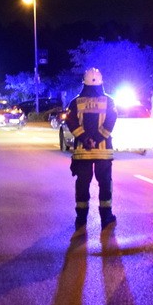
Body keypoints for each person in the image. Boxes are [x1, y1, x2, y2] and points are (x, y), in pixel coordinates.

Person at [65, 67, 117, 230]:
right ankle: (106, 217)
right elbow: (111, 122)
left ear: (84, 83)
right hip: (103, 152)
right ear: (101, 82)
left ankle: (81, 219)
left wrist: (85, 139)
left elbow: (71, 122)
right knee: (105, 183)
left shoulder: (76, 102)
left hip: (82, 152)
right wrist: (98, 139)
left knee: (82, 184)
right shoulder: (109, 101)